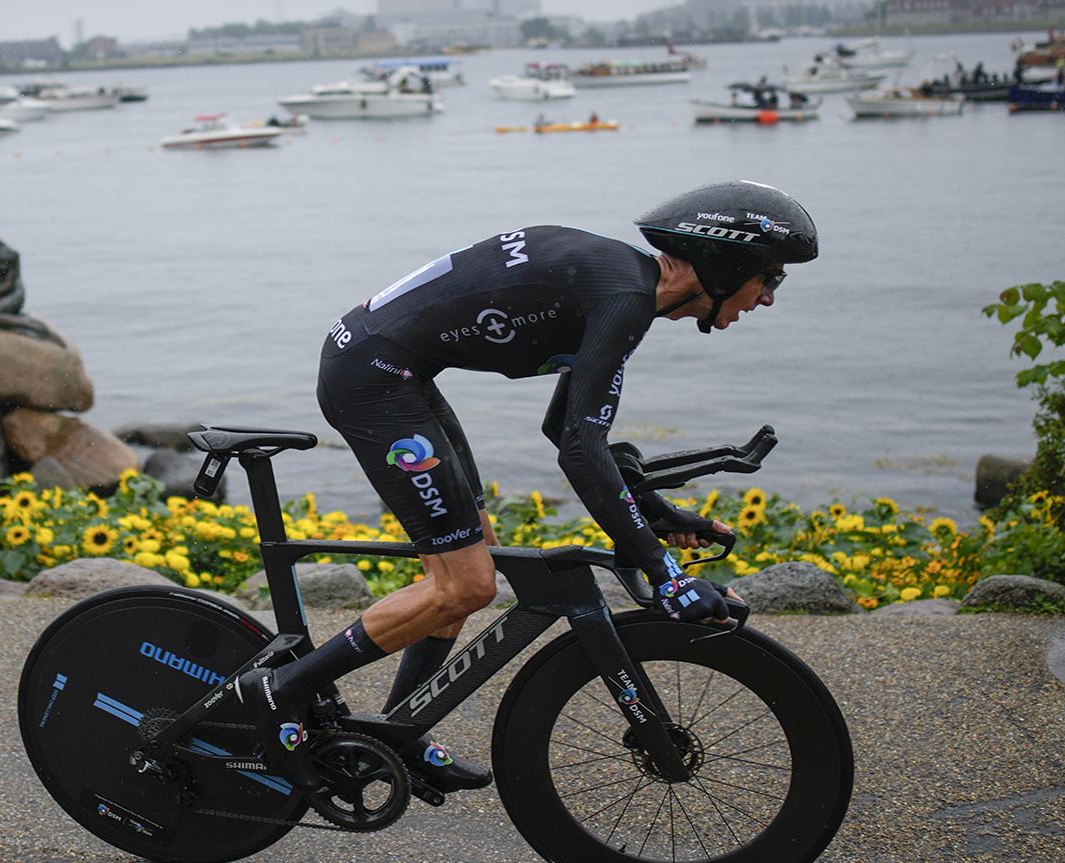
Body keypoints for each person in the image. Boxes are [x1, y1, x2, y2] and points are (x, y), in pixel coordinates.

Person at [239, 181, 820, 800]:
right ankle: (280, 692)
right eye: (770, 279)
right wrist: (666, 574)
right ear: (726, 263)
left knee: (470, 568)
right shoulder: (623, 296)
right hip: (376, 379)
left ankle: (397, 732)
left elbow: (567, 429)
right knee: (466, 584)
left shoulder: (619, 288)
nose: (768, 297)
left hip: (393, 370)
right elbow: (579, 448)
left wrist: (655, 513)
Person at [0, 220, 64, 346]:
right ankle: (8, 320)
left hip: (12, 294)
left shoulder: (10, 254)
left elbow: (9, 285)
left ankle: (33, 326)